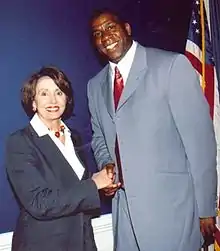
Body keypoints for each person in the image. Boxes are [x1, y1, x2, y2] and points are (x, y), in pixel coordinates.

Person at [87, 9, 217, 251]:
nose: (105, 36)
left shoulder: (171, 66)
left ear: (127, 28)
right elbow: (99, 138)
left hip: (172, 214)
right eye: (97, 33)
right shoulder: (94, 86)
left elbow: (201, 144)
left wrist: (207, 209)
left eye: (110, 27)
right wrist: (107, 164)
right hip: (124, 216)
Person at [5, 66, 114, 251]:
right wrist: (94, 184)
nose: (53, 100)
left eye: (59, 92)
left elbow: (77, 190)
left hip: (82, 240)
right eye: (44, 93)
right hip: (42, 244)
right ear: (33, 102)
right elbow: (40, 202)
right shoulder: (20, 142)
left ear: (67, 98)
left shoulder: (74, 137)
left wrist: (104, 186)